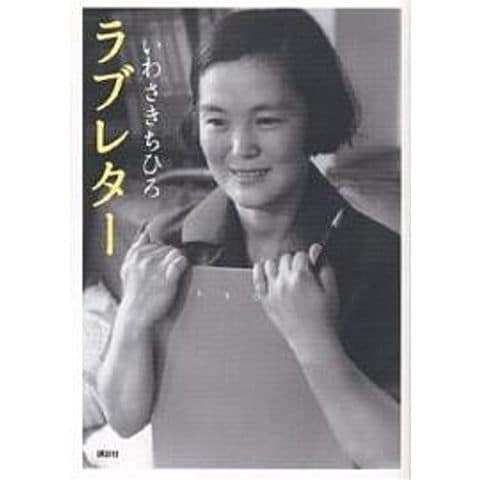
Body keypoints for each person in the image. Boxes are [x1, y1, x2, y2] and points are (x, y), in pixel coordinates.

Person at [97, 9, 401, 468]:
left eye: (267, 120)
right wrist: (133, 317)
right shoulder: (164, 241)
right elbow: (123, 420)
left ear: (314, 118)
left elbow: (395, 458)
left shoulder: (380, 257)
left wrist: (314, 341)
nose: (240, 148)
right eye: (217, 121)